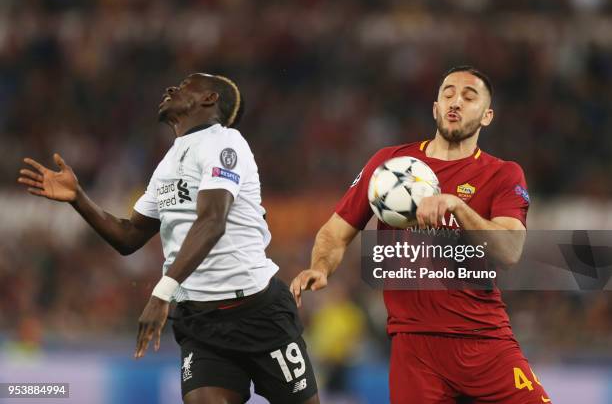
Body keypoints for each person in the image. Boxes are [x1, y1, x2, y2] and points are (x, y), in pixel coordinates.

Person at [18, 73, 319, 404]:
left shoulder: (226, 143)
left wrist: (162, 293)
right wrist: (79, 198)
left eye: (187, 84)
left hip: (257, 312)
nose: (172, 88)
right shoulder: (169, 162)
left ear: (209, 99)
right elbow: (128, 236)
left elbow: (212, 221)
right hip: (201, 324)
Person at [290, 66, 552, 403]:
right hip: (414, 350)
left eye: (468, 96)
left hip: (484, 341)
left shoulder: (502, 174)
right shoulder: (389, 166)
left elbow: (510, 248)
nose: (455, 102)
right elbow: (335, 232)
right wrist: (320, 267)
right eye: (448, 94)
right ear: (435, 108)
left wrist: (457, 207)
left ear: (487, 116)